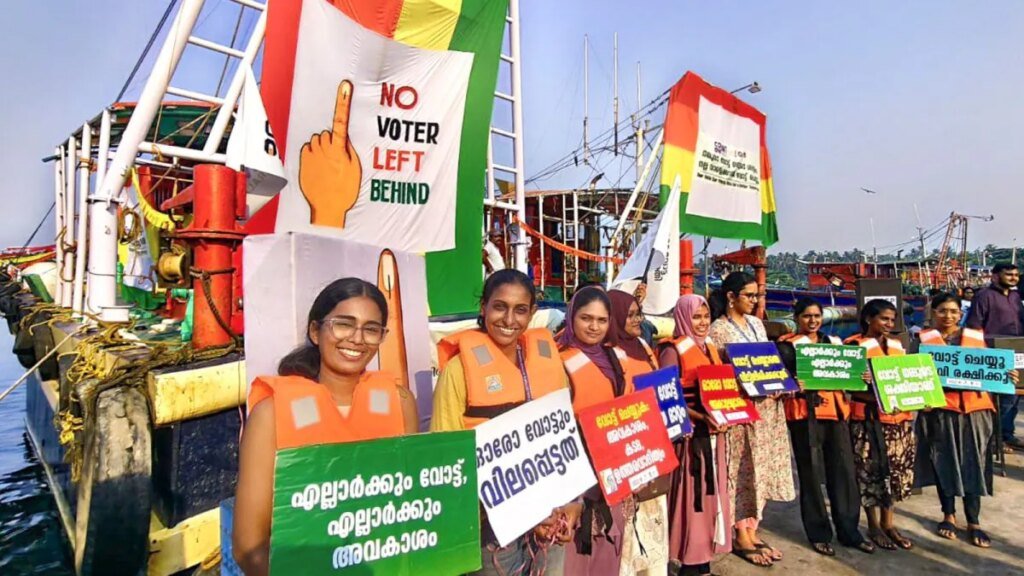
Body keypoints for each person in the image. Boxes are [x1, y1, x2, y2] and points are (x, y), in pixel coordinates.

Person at [233, 278, 419, 575]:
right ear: (315, 331)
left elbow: (413, 510)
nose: (357, 339)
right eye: (344, 324)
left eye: (371, 329)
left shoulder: (401, 403)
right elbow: (249, 547)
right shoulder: (271, 414)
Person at [432, 269, 579, 575]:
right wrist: (519, 511)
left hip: (550, 522)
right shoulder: (458, 371)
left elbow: (567, 441)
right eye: (500, 307)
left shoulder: (551, 365)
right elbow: (445, 455)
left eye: (520, 310)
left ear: (532, 314)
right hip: (489, 530)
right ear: (483, 307)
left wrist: (573, 502)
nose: (509, 319)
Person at [913, 292, 1018, 548]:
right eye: (942, 311)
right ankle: (948, 515)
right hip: (941, 410)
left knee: (976, 464)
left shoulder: (977, 339)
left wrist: (1009, 376)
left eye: (953, 311)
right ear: (932, 313)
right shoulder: (921, 342)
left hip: (976, 411)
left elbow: (995, 371)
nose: (947, 316)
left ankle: (974, 521)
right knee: (943, 462)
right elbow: (913, 376)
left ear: (960, 314)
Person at [708, 272, 795, 568]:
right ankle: (740, 533)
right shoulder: (718, 330)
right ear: (731, 297)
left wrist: (781, 385)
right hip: (743, 410)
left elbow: (767, 363)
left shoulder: (758, 324)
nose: (755, 301)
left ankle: (754, 528)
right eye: (750, 295)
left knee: (762, 467)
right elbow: (723, 373)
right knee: (743, 470)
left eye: (757, 295)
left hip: (768, 410)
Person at [776, 298, 874, 557]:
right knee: (810, 475)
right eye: (807, 316)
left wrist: (862, 376)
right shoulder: (786, 347)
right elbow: (779, 381)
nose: (812, 321)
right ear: (797, 318)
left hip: (837, 414)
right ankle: (819, 533)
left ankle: (850, 532)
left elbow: (852, 375)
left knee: (844, 473)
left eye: (817, 316)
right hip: (804, 417)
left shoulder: (835, 344)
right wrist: (793, 384)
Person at [557, 286, 639, 575]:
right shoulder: (558, 361)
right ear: (571, 317)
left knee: (609, 549)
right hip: (576, 478)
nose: (594, 327)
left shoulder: (618, 357)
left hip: (614, 475)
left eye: (602, 320)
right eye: (585, 318)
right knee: (574, 556)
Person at [659, 294, 732, 576]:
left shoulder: (711, 347)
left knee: (712, 499)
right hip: (690, 439)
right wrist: (701, 418)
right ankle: (689, 561)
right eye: (696, 317)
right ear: (682, 318)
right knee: (692, 501)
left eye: (705, 317)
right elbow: (667, 397)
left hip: (716, 434)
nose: (702, 323)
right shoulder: (671, 351)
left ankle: (703, 562)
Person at [608, 289, 670, 576]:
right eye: (629, 315)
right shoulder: (610, 355)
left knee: (653, 521)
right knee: (629, 531)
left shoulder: (644, 346)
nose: (636, 320)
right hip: (628, 451)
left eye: (638, 314)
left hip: (651, 447)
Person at [844, 299, 915, 551]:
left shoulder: (898, 345)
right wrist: (859, 378)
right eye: (884, 318)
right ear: (868, 319)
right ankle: (873, 525)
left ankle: (889, 523)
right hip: (867, 420)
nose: (889, 324)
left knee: (894, 472)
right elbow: (844, 384)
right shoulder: (852, 346)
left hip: (898, 420)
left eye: (892, 319)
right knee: (868, 472)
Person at [965, 263, 1024, 449]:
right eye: (1009, 275)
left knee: (1015, 395)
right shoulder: (984, 296)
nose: (1014, 278)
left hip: (1018, 350)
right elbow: (974, 326)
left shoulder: (1016, 297)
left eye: (1016, 275)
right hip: (994, 352)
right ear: (995, 276)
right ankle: (994, 439)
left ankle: (1007, 434)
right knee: (1001, 397)